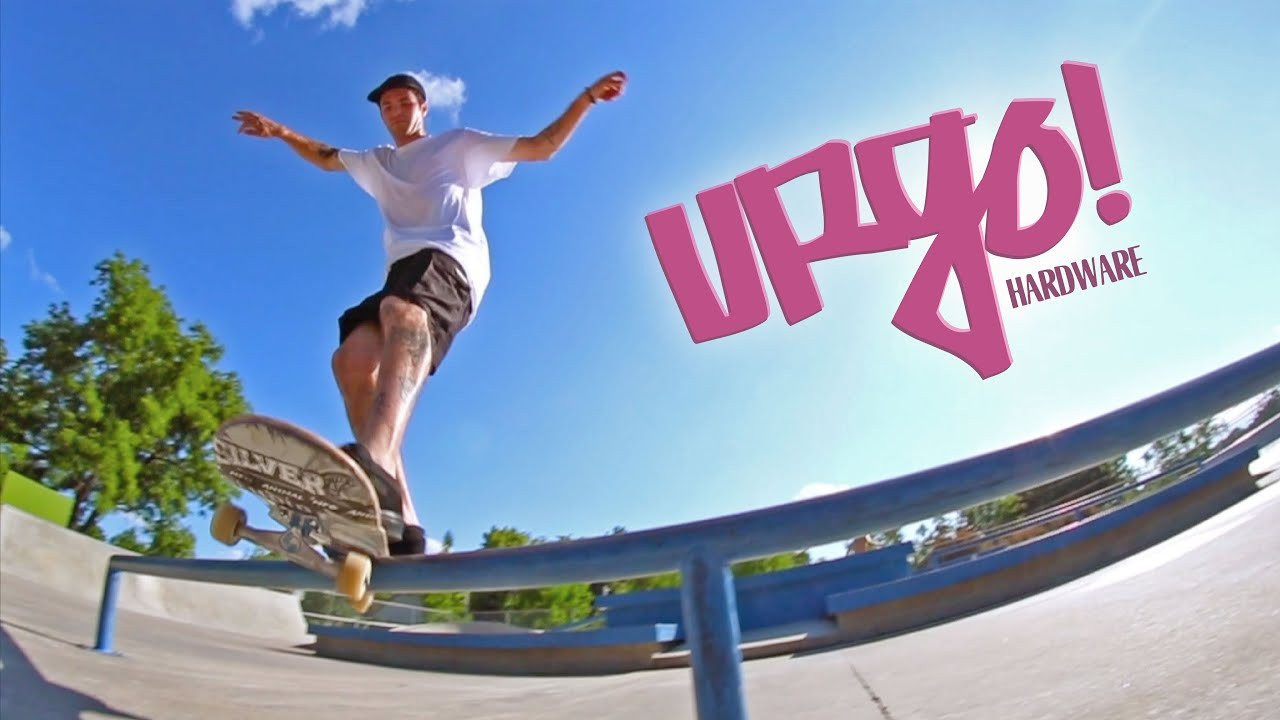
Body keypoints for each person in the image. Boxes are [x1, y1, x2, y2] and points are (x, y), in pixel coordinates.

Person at [233, 69, 628, 555]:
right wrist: (280, 132)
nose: (396, 113)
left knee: (403, 310)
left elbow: (543, 145)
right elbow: (324, 157)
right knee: (351, 361)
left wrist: (586, 97)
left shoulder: (459, 146)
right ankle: (403, 523)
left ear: (423, 107)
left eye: (404, 103)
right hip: (403, 275)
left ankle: (371, 462)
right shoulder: (376, 161)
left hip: (452, 266)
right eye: (387, 108)